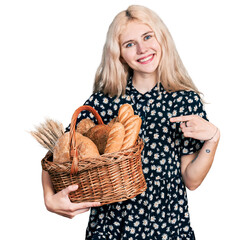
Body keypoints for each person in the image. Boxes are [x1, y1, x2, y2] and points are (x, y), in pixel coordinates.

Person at [42, 5, 220, 240]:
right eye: (129, 44)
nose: (142, 49)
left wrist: (213, 138)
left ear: (161, 37)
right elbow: (59, 153)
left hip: (167, 229)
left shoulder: (184, 101)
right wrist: (48, 198)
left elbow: (191, 180)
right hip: (110, 230)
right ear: (119, 54)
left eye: (147, 37)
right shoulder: (104, 101)